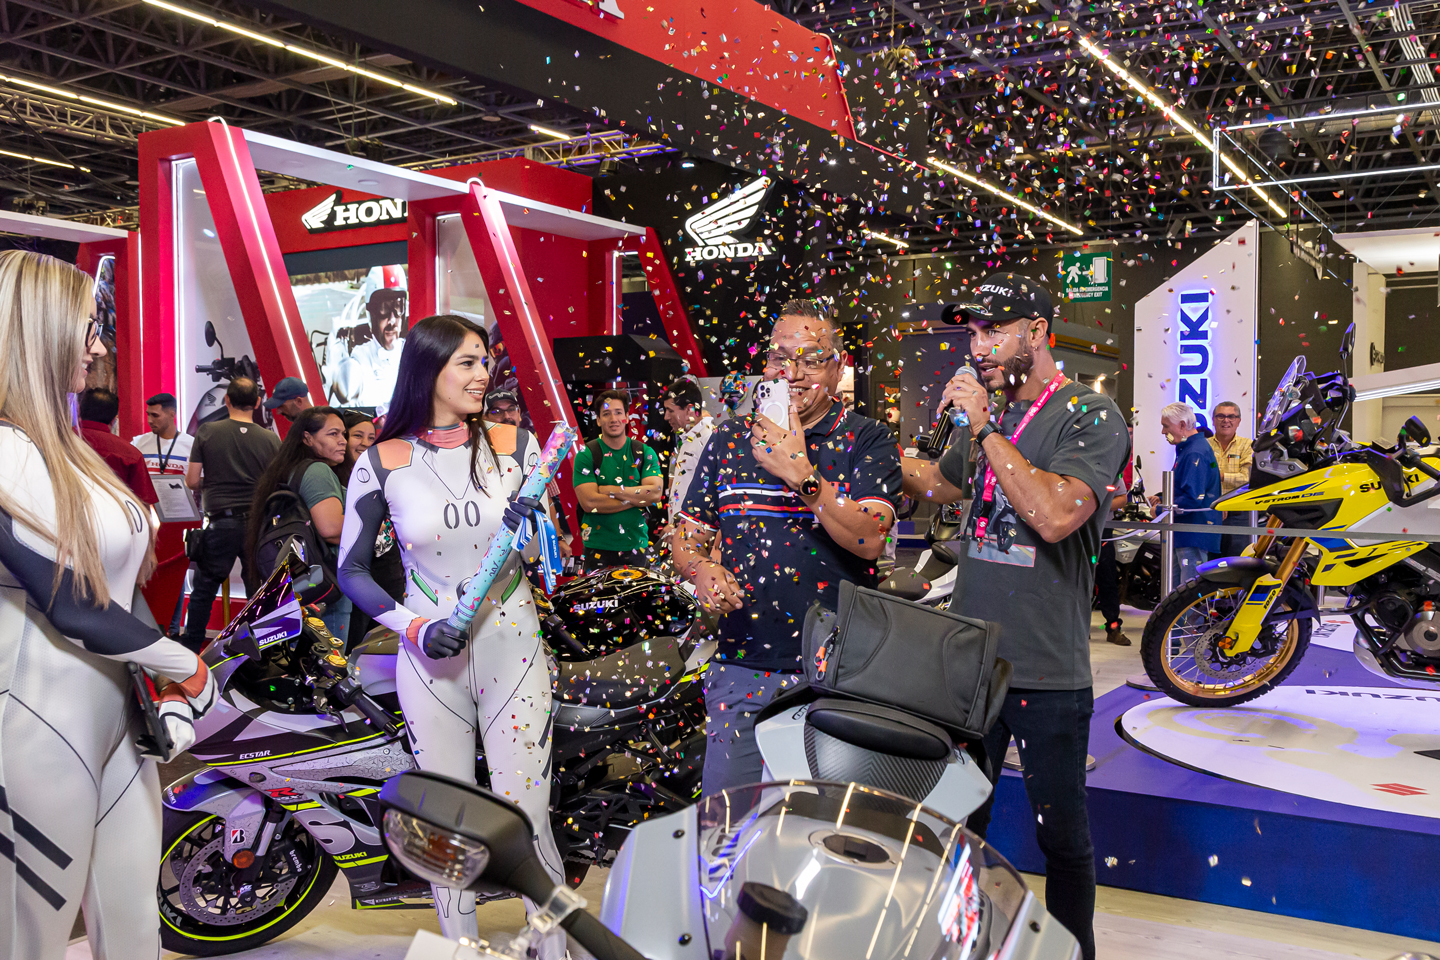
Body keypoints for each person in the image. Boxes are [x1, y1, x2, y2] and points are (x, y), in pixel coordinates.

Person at [899, 273, 1129, 960]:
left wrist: (984, 427)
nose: (979, 346)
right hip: (974, 667)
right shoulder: (993, 419)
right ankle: (962, 946)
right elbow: (941, 483)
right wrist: (865, 452)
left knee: (1064, 839)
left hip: (1048, 670)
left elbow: (1054, 515)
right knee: (960, 825)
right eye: (973, 333)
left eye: (994, 330)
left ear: (1037, 332)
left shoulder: (1090, 415)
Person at [0, 249, 215, 960]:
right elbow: (70, 603)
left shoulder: (80, 452)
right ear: (38, 330)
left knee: (134, 929)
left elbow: (121, 590)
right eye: (87, 330)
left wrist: (161, 682)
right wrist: (186, 665)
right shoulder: (4, 453)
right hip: (30, 731)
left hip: (120, 727)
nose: (97, 349)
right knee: (27, 939)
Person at [336, 314, 565, 955]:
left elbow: (552, 559)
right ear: (428, 369)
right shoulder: (380, 462)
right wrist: (414, 626)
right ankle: (460, 949)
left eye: (484, 360)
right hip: (429, 660)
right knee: (448, 825)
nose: (482, 373)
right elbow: (351, 570)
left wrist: (535, 526)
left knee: (528, 815)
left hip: (514, 648)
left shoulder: (516, 446)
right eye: (467, 361)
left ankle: (554, 948)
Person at [672, 299, 902, 796]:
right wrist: (701, 570)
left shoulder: (868, 439)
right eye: (780, 358)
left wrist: (801, 474)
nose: (792, 374)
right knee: (726, 826)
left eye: (811, 360)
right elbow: (688, 536)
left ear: (838, 366)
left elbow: (869, 539)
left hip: (836, 676)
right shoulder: (729, 439)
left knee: (824, 826)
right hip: (742, 669)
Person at [183, 377, 281, 651]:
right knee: (257, 592)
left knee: (204, 590)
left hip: (221, 523)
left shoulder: (207, 432)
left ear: (226, 400)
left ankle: (191, 652)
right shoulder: (271, 439)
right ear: (258, 402)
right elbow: (276, 483)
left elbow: (192, 481)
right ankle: (260, 651)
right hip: (257, 525)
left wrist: (214, 481)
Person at [246, 406, 351, 643]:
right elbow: (331, 528)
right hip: (326, 586)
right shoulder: (317, 471)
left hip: (306, 584)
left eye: (343, 434)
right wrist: (372, 523)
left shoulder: (291, 470)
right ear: (307, 438)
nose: (342, 441)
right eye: (333, 434)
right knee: (330, 660)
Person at [573, 389, 662, 570]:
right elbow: (589, 503)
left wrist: (612, 491)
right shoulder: (586, 454)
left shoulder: (644, 452)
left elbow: (654, 494)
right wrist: (636, 498)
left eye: (618, 413)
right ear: (598, 420)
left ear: (627, 417)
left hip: (637, 547)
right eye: (606, 414)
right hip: (597, 549)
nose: (613, 419)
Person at [1156, 401, 1221, 583]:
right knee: (1178, 592)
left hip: (1192, 534)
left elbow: (1193, 499)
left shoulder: (1194, 453)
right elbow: (1186, 488)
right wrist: (1162, 498)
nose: (1163, 432)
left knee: (1188, 593)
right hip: (1187, 533)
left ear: (1182, 425)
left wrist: (1160, 510)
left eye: (1166, 426)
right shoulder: (1190, 449)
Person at [78, 387, 157, 507]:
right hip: (113, 514)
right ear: (113, 420)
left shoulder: (59, 441)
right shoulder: (130, 454)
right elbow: (143, 503)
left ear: (79, 411)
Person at [1094, 428, 1136, 646]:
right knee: (1076, 581)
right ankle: (1077, 631)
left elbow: (1123, 498)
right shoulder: (1071, 464)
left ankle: (1113, 628)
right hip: (1074, 530)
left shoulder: (1111, 466)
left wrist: (1097, 507)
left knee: (1107, 580)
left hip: (1103, 531)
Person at [660, 377, 714, 533]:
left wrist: (679, 525)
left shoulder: (708, 439)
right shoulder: (688, 439)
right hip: (683, 533)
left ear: (690, 409)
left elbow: (708, 494)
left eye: (671, 411)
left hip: (695, 536)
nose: (666, 417)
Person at [337, 287, 406, 406]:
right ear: (373, 316)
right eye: (384, 309)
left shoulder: (410, 351)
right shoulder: (360, 358)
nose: (392, 321)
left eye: (398, 308)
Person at [1209, 400, 1254, 557]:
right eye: (1220, 416)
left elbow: (1247, 478)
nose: (1226, 420)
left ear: (1238, 421)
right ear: (1213, 420)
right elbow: (1201, 478)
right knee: (1210, 561)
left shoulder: (1247, 445)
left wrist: (1219, 476)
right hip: (1210, 511)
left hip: (1239, 514)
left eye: (1231, 416)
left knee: (1238, 560)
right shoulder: (1205, 446)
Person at [130, 392, 194, 478]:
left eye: (155, 415)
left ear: (172, 415)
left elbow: (200, 480)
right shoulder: (137, 443)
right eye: (148, 414)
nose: (149, 421)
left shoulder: (192, 445)